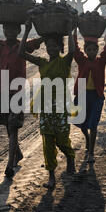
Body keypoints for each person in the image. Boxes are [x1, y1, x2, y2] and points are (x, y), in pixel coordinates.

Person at [0, 7, 43, 178]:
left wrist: (38, 27)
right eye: (7, 29)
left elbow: (37, 41)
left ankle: (10, 164)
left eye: (14, 29)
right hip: (1, 91)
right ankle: (18, 153)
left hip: (17, 92)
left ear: (18, 31)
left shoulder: (23, 46)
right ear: (4, 30)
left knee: (13, 128)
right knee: (8, 125)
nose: (10, 32)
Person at [18, 18, 76, 190]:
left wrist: (71, 30)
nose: (51, 48)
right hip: (45, 107)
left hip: (61, 107)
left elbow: (72, 49)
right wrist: (27, 30)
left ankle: (70, 156)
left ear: (60, 48)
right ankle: (51, 175)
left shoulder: (64, 62)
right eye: (48, 46)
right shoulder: (42, 63)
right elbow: (21, 53)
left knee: (62, 138)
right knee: (47, 142)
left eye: (54, 46)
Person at [72, 23, 106, 163]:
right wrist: (74, 30)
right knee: (82, 123)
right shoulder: (81, 61)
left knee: (93, 124)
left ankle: (91, 152)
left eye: (93, 49)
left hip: (96, 96)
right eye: (88, 49)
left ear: (97, 50)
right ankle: (87, 139)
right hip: (82, 96)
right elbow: (74, 49)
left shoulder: (101, 62)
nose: (91, 52)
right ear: (85, 50)